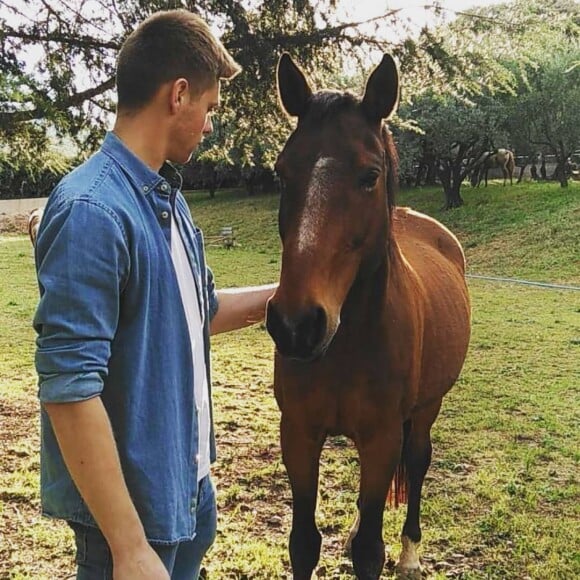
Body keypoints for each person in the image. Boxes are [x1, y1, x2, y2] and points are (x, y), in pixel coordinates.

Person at [33, 10, 276, 579]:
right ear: (179, 95)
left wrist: (291, 295)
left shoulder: (167, 200)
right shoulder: (92, 210)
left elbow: (200, 312)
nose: (210, 126)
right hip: (131, 529)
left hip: (183, 494)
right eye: (211, 108)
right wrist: (129, 545)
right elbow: (69, 389)